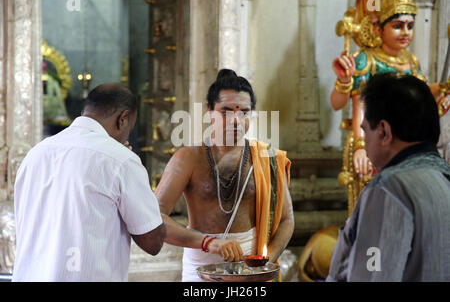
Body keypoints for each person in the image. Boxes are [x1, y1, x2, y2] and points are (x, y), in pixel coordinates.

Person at [12, 83, 166, 281]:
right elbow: (152, 242)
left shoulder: (36, 154)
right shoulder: (121, 160)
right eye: (130, 129)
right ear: (123, 119)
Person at [156, 69, 294, 281]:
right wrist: (209, 243)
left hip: (250, 266)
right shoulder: (189, 158)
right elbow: (155, 218)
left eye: (244, 112)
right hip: (201, 266)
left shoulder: (267, 158)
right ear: (210, 112)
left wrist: (264, 261)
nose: (236, 120)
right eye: (226, 111)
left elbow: (287, 219)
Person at [330, 0, 449, 212]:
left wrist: (442, 92)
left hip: (407, 144)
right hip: (375, 142)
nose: (405, 32)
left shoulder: (411, 62)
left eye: (410, 25)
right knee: (373, 204)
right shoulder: (367, 60)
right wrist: (361, 146)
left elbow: (419, 98)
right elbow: (355, 104)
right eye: (397, 25)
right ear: (379, 29)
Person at [327, 73, 450, 282]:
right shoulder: (444, 179)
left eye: (365, 131)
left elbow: (371, 275)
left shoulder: (388, 189)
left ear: (383, 132)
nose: (364, 143)